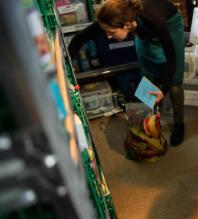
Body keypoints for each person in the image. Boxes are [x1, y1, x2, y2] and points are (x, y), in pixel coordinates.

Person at [68, 0, 186, 146]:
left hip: (169, 25)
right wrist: (67, 64)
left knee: (174, 81)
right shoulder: (113, 18)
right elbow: (79, 39)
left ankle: (179, 123)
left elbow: (171, 58)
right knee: (147, 75)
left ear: (127, 25)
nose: (108, 37)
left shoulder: (156, 21)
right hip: (144, 30)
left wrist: (164, 89)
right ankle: (147, 122)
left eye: (111, 32)